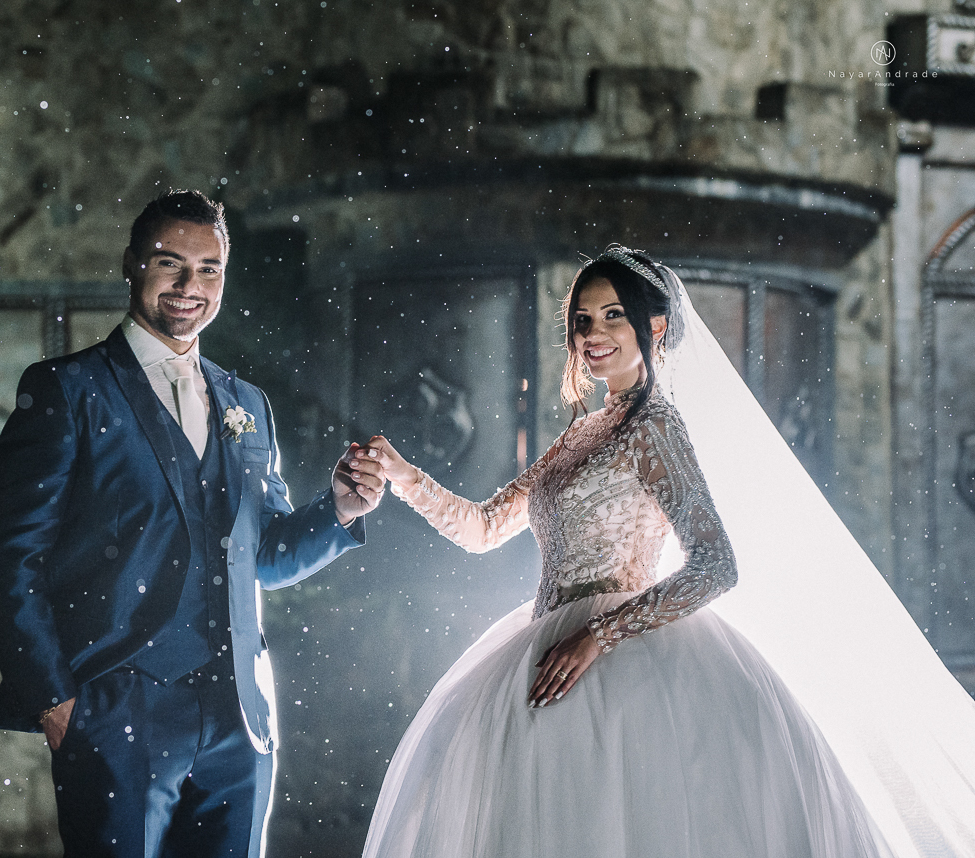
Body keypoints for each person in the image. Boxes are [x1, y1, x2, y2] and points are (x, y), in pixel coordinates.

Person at [360, 246, 975, 857]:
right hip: (546, 646)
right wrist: (402, 475)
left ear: (654, 327)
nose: (593, 334)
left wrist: (598, 635)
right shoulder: (580, 434)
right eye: (582, 320)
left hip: (625, 662)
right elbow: (484, 528)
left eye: (613, 315)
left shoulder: (654, 426)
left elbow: (715, 564)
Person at [0, 189, 385, 858]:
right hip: (116, 711)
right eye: (170, 263)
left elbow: (265, 557)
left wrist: (339, 508)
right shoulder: (68, 391)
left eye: (208, 269)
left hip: (239, 722)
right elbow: (7, 558)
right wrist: (55, 703)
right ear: (131, 265)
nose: (190, 285)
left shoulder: (246, 403)